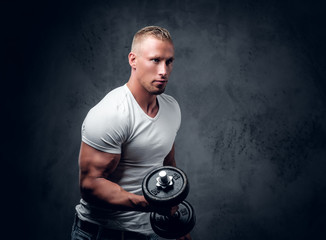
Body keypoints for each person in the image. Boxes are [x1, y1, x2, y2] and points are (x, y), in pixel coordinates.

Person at [71, 26, 191, 240]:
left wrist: (175, 224)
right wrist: (150, 204)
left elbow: (166, 164)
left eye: (169, 61)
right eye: (155, 60)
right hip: (104, 232)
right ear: (133, 60)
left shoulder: (172, 108)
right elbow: (90, 185)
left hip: (153, 231)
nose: (163, 70)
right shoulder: (111, 113)